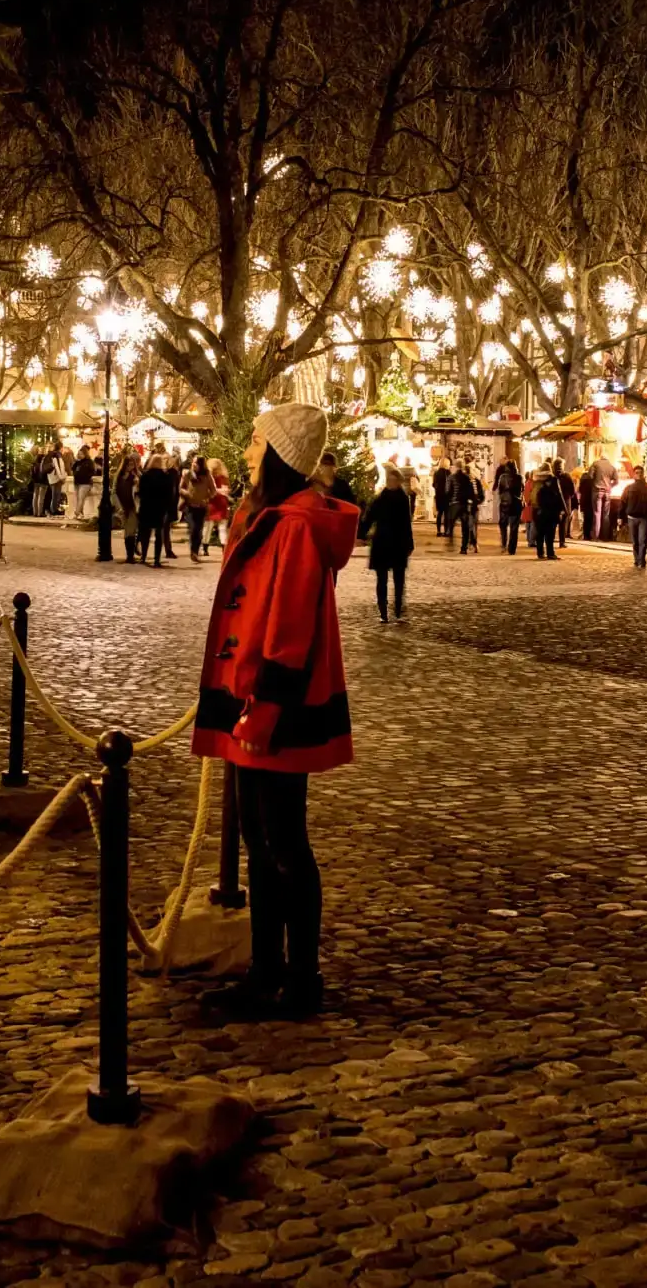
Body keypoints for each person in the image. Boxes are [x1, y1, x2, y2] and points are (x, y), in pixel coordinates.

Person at [194, 402, 357, 1021]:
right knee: (260, 841)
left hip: (274, 702)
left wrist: (264, 705)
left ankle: (298, 976)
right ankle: (267, 970)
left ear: (279, 454)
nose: (246, 450)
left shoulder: (293, 527)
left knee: (285, 842)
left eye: (256, 440)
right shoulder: (270, 517)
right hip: (252, 697)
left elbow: (288, 623)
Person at [364, 464, 414, 623]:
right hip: (382, 543)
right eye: (389, 479)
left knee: (399, 580)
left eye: (394, 479)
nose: (391, 482)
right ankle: (383, 611)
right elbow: (370, 517)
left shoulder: (403, 499)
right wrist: (360, 533)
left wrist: (409, 543)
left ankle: (398, 609)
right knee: (382, 579)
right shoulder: (381, 498)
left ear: (399, 481)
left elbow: (407, 523)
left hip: (398, 543)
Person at [137, 451, 179, 567]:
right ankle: (156, 559)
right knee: (158, 535)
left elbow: (140, 492)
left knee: (146, 533)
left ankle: (143, 557)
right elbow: (170, 494)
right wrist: (167, 507)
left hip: (146, 507)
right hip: (160, 508)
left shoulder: (145, 476)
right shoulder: (166, 477)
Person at [620, 464, 647, 569]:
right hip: (632, 517)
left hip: (643, 518)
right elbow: (623, 502)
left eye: (640, 473)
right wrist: (620, 516)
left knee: (642, 541)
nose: (639, 475)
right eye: (637, 473)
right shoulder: (629, 488)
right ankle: (637, 560)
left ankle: (641, 560)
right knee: (635, 541)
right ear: (633, 474)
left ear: (643, 474)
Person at [181, 454, 216, 561]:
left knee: (198, 531)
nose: (193, 464)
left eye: (196, 463)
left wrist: (207, 498)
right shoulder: (187, 474)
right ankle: (193, 551)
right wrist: (187, 494)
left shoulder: (206, 475)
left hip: (201, 507)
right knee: (193, 529)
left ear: (201, 465)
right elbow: (180, 488)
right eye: (193, 462)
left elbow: (213, 490)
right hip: (190, 507)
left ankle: (195, 552)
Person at [529, 463, 565, 560]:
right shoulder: (553, 479)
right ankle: (550, 553)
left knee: (540, 533)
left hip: (537, 510)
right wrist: (563, 509)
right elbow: (559, 494)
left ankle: (540, 553)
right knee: (550, 533)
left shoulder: (536, 479)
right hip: (550, 509)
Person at [117, 448, 146, 561]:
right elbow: (115, 491)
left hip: (133, 507)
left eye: (132, 465)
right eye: (128, 465)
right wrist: (119, 507)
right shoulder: (119, 477)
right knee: (127, 531)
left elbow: (141, 488)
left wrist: (137, 479)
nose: (130, 467)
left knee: (131, 530)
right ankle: (129, 554)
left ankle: (130, 556)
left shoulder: (135, 477)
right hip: (123, 507)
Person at [493, 457, 524, 554]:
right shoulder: (519, 477)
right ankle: (512, 549)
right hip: (516, 504)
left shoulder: (502, 477)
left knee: (503, 525)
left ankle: (503, 544)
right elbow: (521, 489)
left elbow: (500, 490)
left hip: (504, 504)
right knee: (514, 527)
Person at [204, 457, 232, 549]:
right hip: (221, 503)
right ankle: (224, 547)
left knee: (208, 528)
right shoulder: (224, 478)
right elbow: (226, 490)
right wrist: (222, 491)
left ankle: (205, 547)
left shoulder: (208, 478)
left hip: (211, 504)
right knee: (222, 528)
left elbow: (207, 491)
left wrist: (216, 491)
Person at [457, 459, 480, 554]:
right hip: (471, 507)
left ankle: (467, 546)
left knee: (467, 528)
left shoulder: (467, 482)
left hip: (468, 507)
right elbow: (479, 494)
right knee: (471, 527)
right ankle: (470, 545)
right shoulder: (474, 481)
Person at [553, 460, 578, 548]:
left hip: (554, 502)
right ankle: (562, 542)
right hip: (565, 502)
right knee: (563, 523)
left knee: (553, 522)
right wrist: (569, 497)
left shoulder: (552, 476)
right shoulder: (567, 476)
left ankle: (550, 541)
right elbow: (573, 490)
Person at [575, 463, 600, 543]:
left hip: (584, 499)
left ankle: (586, 535)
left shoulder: (583, 477)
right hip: (590, 500)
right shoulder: (592, 480)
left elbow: (579, 489)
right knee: (589, 517)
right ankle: (588, 535)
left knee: (586, 517)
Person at [71, 445, 97, 521]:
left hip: (85, 483)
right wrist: (76, 462)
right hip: (77, 483)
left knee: (81, 498)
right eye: (79, 454)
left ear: (85, 454)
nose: (79, 455)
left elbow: (92, 471)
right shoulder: (78, 462)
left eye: (81, 454)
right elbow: (72, 469)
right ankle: (81, 514)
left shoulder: (89, 462)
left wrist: (86, 476)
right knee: (78, 498)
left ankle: (76, 513)